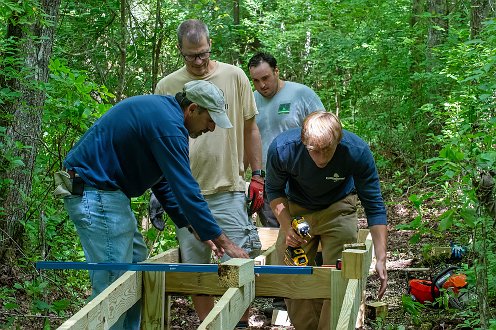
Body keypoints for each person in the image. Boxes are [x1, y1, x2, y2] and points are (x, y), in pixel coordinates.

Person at [61, 80, 249, 330]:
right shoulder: (168, 126)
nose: (211, 127)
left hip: (109, 195)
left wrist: (193, 227)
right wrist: (224, 241)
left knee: (137, 270)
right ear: (192, 109)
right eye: (209, 119)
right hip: (96, 192)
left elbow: (165, 185)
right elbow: (186, 189)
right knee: (113, 286)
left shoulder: (166, 117)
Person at [153, 19, 263, 328]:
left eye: (203, 53)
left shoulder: (234, 75)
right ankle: (209, 325)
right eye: (191, 56)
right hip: (186, 192)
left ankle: (238, 324)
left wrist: (258, 175)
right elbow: (157, 142)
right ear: (180, 51)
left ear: (210, 44)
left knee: (237, 262)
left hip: (227, 186)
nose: (199, 61)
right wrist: (157, 191)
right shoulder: (167, 85)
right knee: (196, 269)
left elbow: (250, 127)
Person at [266, 111, 388, 330]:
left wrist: (381, 256)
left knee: (342, 273)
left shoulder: (356, 151)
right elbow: (274, 190)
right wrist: (286, 226)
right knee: (290, 271)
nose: (321, 158)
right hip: (297, 210)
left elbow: (374, 204)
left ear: (338, 141)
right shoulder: (282, 149)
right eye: (314, 151)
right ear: (304, 142)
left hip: (338, 207)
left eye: (327, 150)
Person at [248, 52, 324, 227]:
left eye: (266, 78)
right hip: (268, 181)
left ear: (276, 71)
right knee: (275, 235)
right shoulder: (251, 100)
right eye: (256, 80)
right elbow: (248, 139)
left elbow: (323, 133)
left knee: (307, 231)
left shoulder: (301, 94)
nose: (262, 85)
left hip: (302, 179)